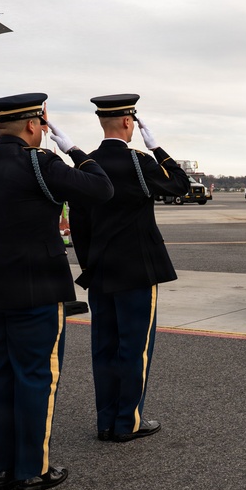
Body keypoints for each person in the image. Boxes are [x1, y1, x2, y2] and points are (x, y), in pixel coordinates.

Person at [0, 93, 113, 490]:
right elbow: (102, 189)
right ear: (35, 125)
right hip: (35, 285)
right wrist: (74, 148)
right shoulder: (41, 163)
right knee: (36, 376)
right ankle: (31, 470)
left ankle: (1, 469)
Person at [68, 94, 189, 443]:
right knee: (134, 346)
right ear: (127, 122)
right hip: (136, 269)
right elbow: (179, 184)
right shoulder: (138, 162)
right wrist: (159, 149)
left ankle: (105, 420)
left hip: (101, 269)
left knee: (104, 346)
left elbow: (79, 221)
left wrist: (89, 263)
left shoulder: (87, 164)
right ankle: (128, 421)